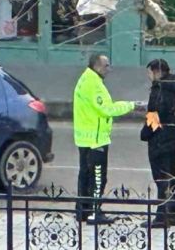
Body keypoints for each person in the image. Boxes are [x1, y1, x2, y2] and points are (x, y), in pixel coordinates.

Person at [73, 54, 136, 225]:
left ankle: (82, 211)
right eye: (107, 65)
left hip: (84, 138)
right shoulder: (94, 84)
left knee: (85, 175)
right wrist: (131, 105)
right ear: (97, 66)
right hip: (96, 139)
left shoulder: (85, 79)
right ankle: (94, 212)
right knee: (98, 177)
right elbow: (107, 109)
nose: (109, 69)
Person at [140, 59, 175, 228]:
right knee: (174, 175)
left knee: (161, 178)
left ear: (156, 72)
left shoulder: (160, 88)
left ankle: (162, 216)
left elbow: (154, 115)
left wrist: (145, 133)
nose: (149, 77)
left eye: (150, 73)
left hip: (160, 140)